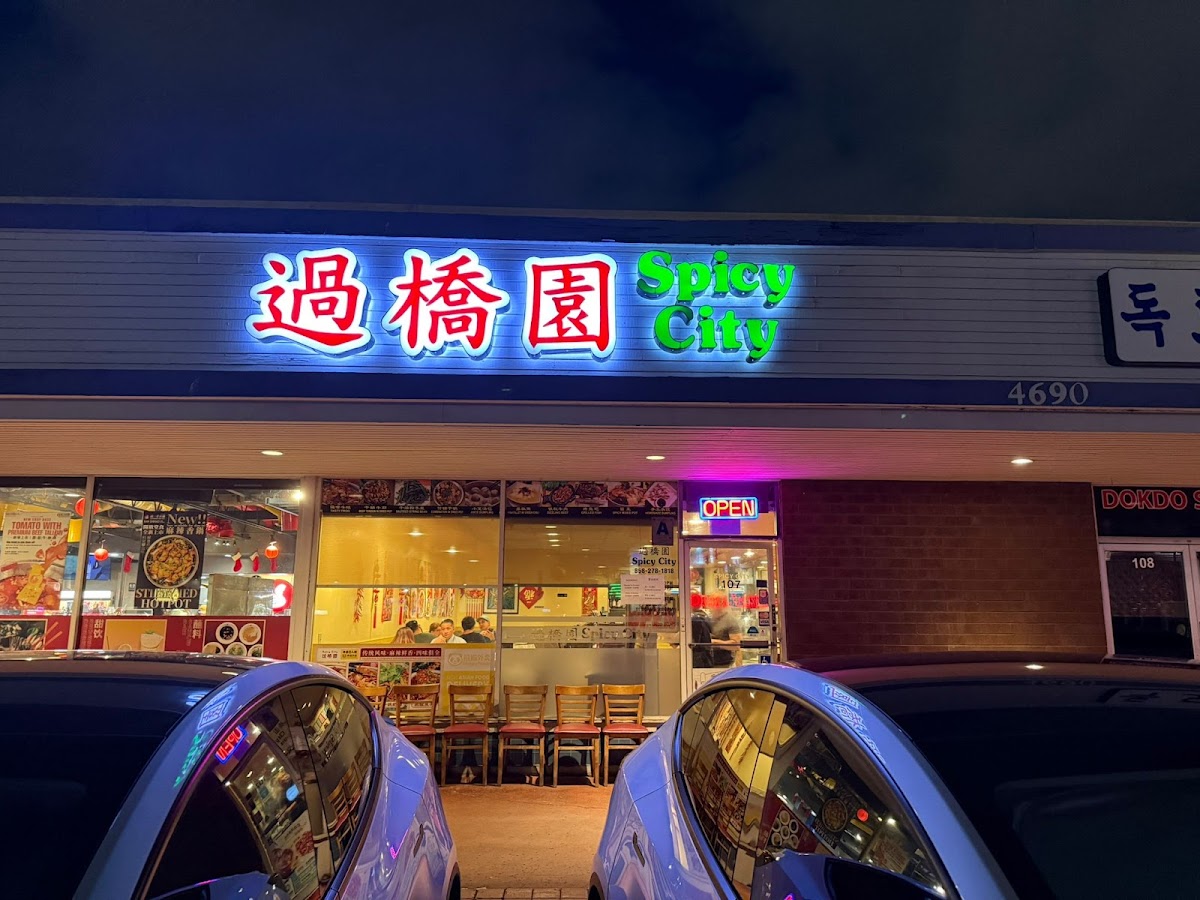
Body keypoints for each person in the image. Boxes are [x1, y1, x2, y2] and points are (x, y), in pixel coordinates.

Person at [709, 597, 742, 667]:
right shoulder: (709, 618)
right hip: (709, 663)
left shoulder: (730, 620)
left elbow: (736, 645)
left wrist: (714, 642)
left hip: (724, 664)